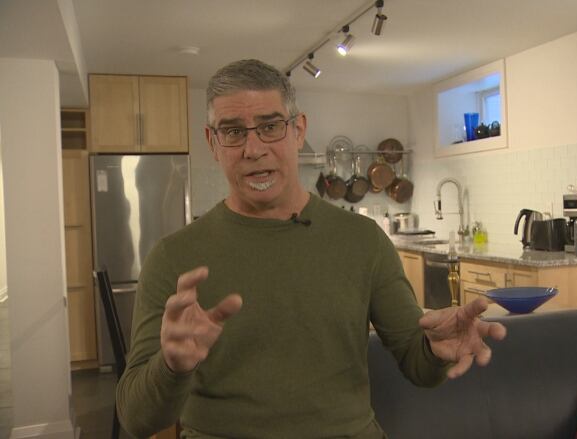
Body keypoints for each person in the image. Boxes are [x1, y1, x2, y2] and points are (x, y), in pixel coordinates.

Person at [116, 59, 506, 439]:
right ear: (212, 142)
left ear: (298, 130)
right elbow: (136, 418)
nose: (252, 149)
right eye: (233, 132)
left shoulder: (362, 241)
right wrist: (171, 366)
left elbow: (417, 363)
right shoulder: (174, 258)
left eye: (269, 126)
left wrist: (436, 350)